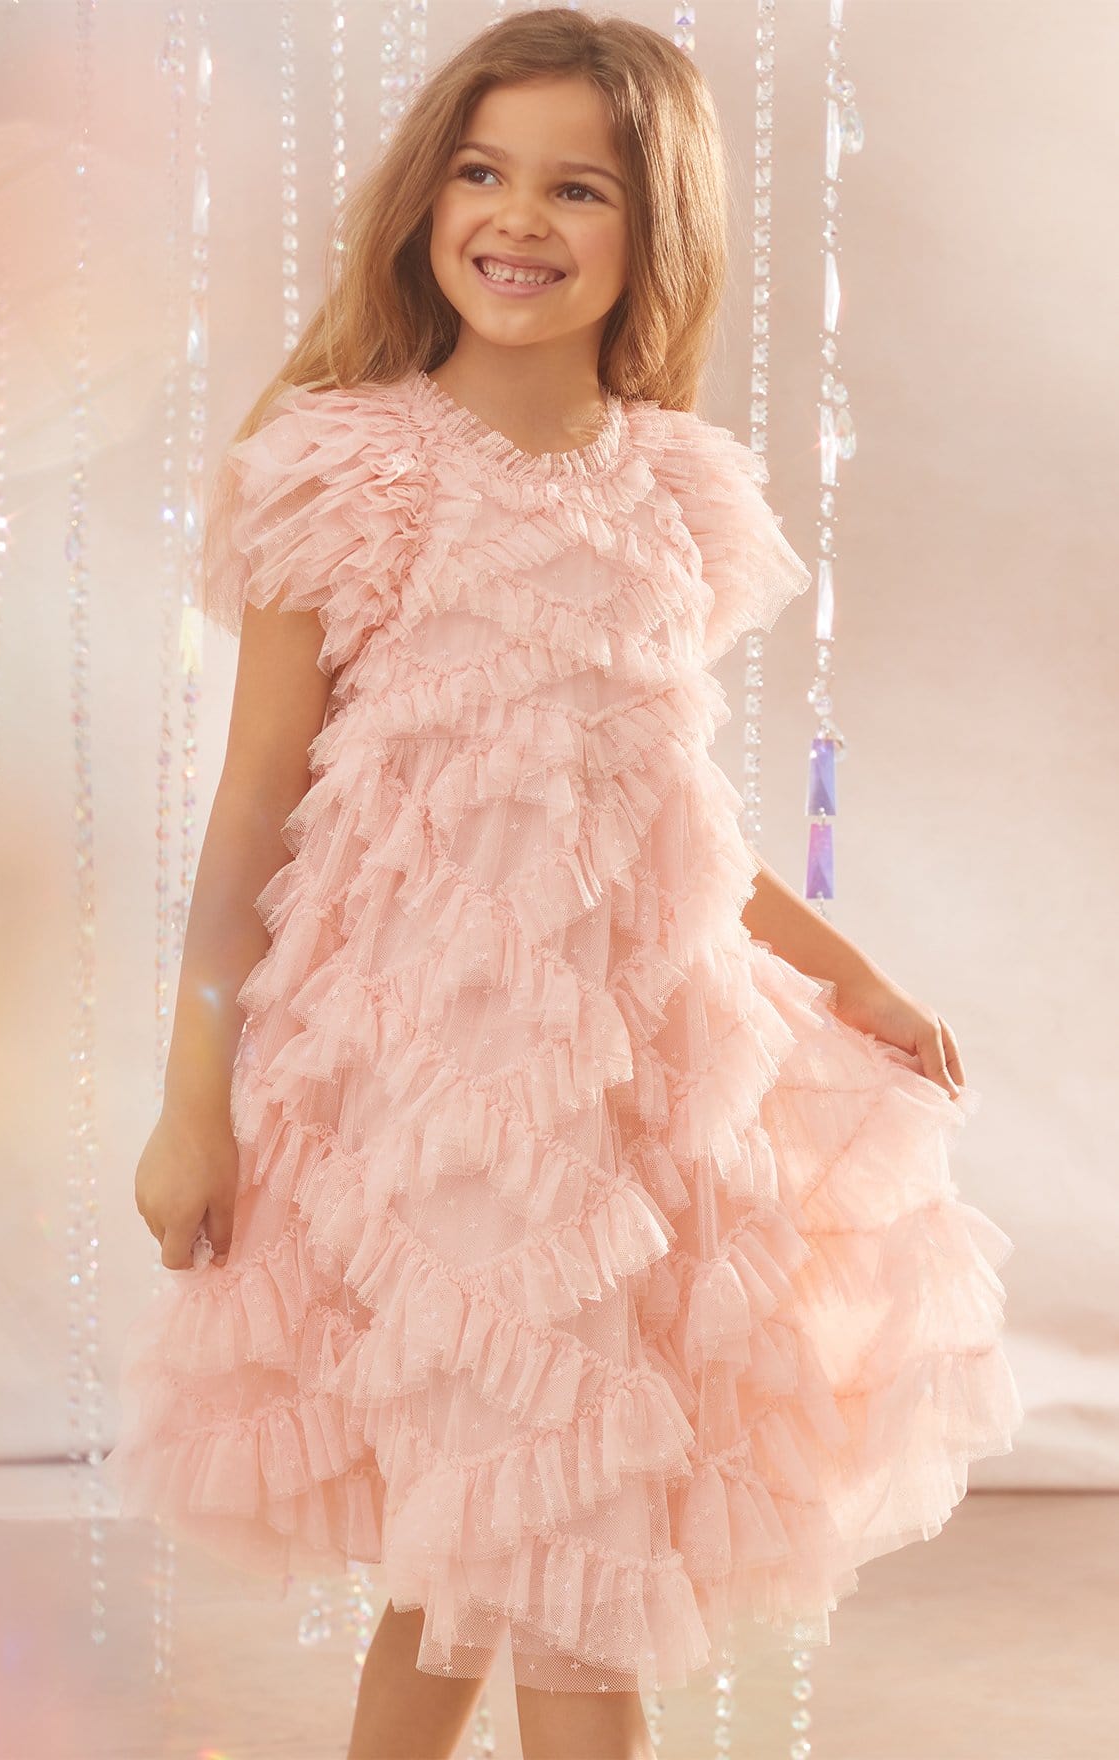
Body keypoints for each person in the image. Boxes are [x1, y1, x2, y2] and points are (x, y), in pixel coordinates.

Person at [102, 9, 1024, 1759]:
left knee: (513, 1536)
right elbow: (252, 814)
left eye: (577, 188)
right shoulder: (348, 472)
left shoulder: (674, 491)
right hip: (431, 1093)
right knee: (546, 1533)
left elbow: (665, 813)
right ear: (427, 197)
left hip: (629, 1096)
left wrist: (853, 974)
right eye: (483, 171)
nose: (518, 218)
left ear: (651, 228)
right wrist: (191, 1101)